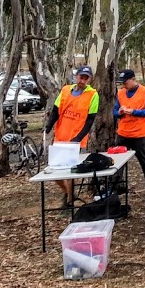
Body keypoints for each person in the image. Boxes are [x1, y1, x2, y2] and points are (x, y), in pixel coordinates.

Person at [45, 65, 99, 208]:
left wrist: (79, 137)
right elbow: (56, 110)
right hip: (61, 136)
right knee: (55, 170)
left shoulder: (93, 95)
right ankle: (69, 194)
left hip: (76, 139)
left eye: (86, 78)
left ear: (89, 80)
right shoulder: (65, 90)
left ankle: (69, 201)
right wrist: (48, 126)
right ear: (76, 77)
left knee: (70, 171)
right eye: (81, 77)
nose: (83, 81)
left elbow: (90, 120)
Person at [113, 69, 145, 197]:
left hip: (138, 134)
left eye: (125, 82)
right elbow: (114, 111)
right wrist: (119, 112)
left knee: (144, 161)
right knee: (118, 162)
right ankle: (113, 188)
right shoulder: (120, 93)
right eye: (122, 83)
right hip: (123, 133)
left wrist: (133, 111)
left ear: (133, 79)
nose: (124, 85)